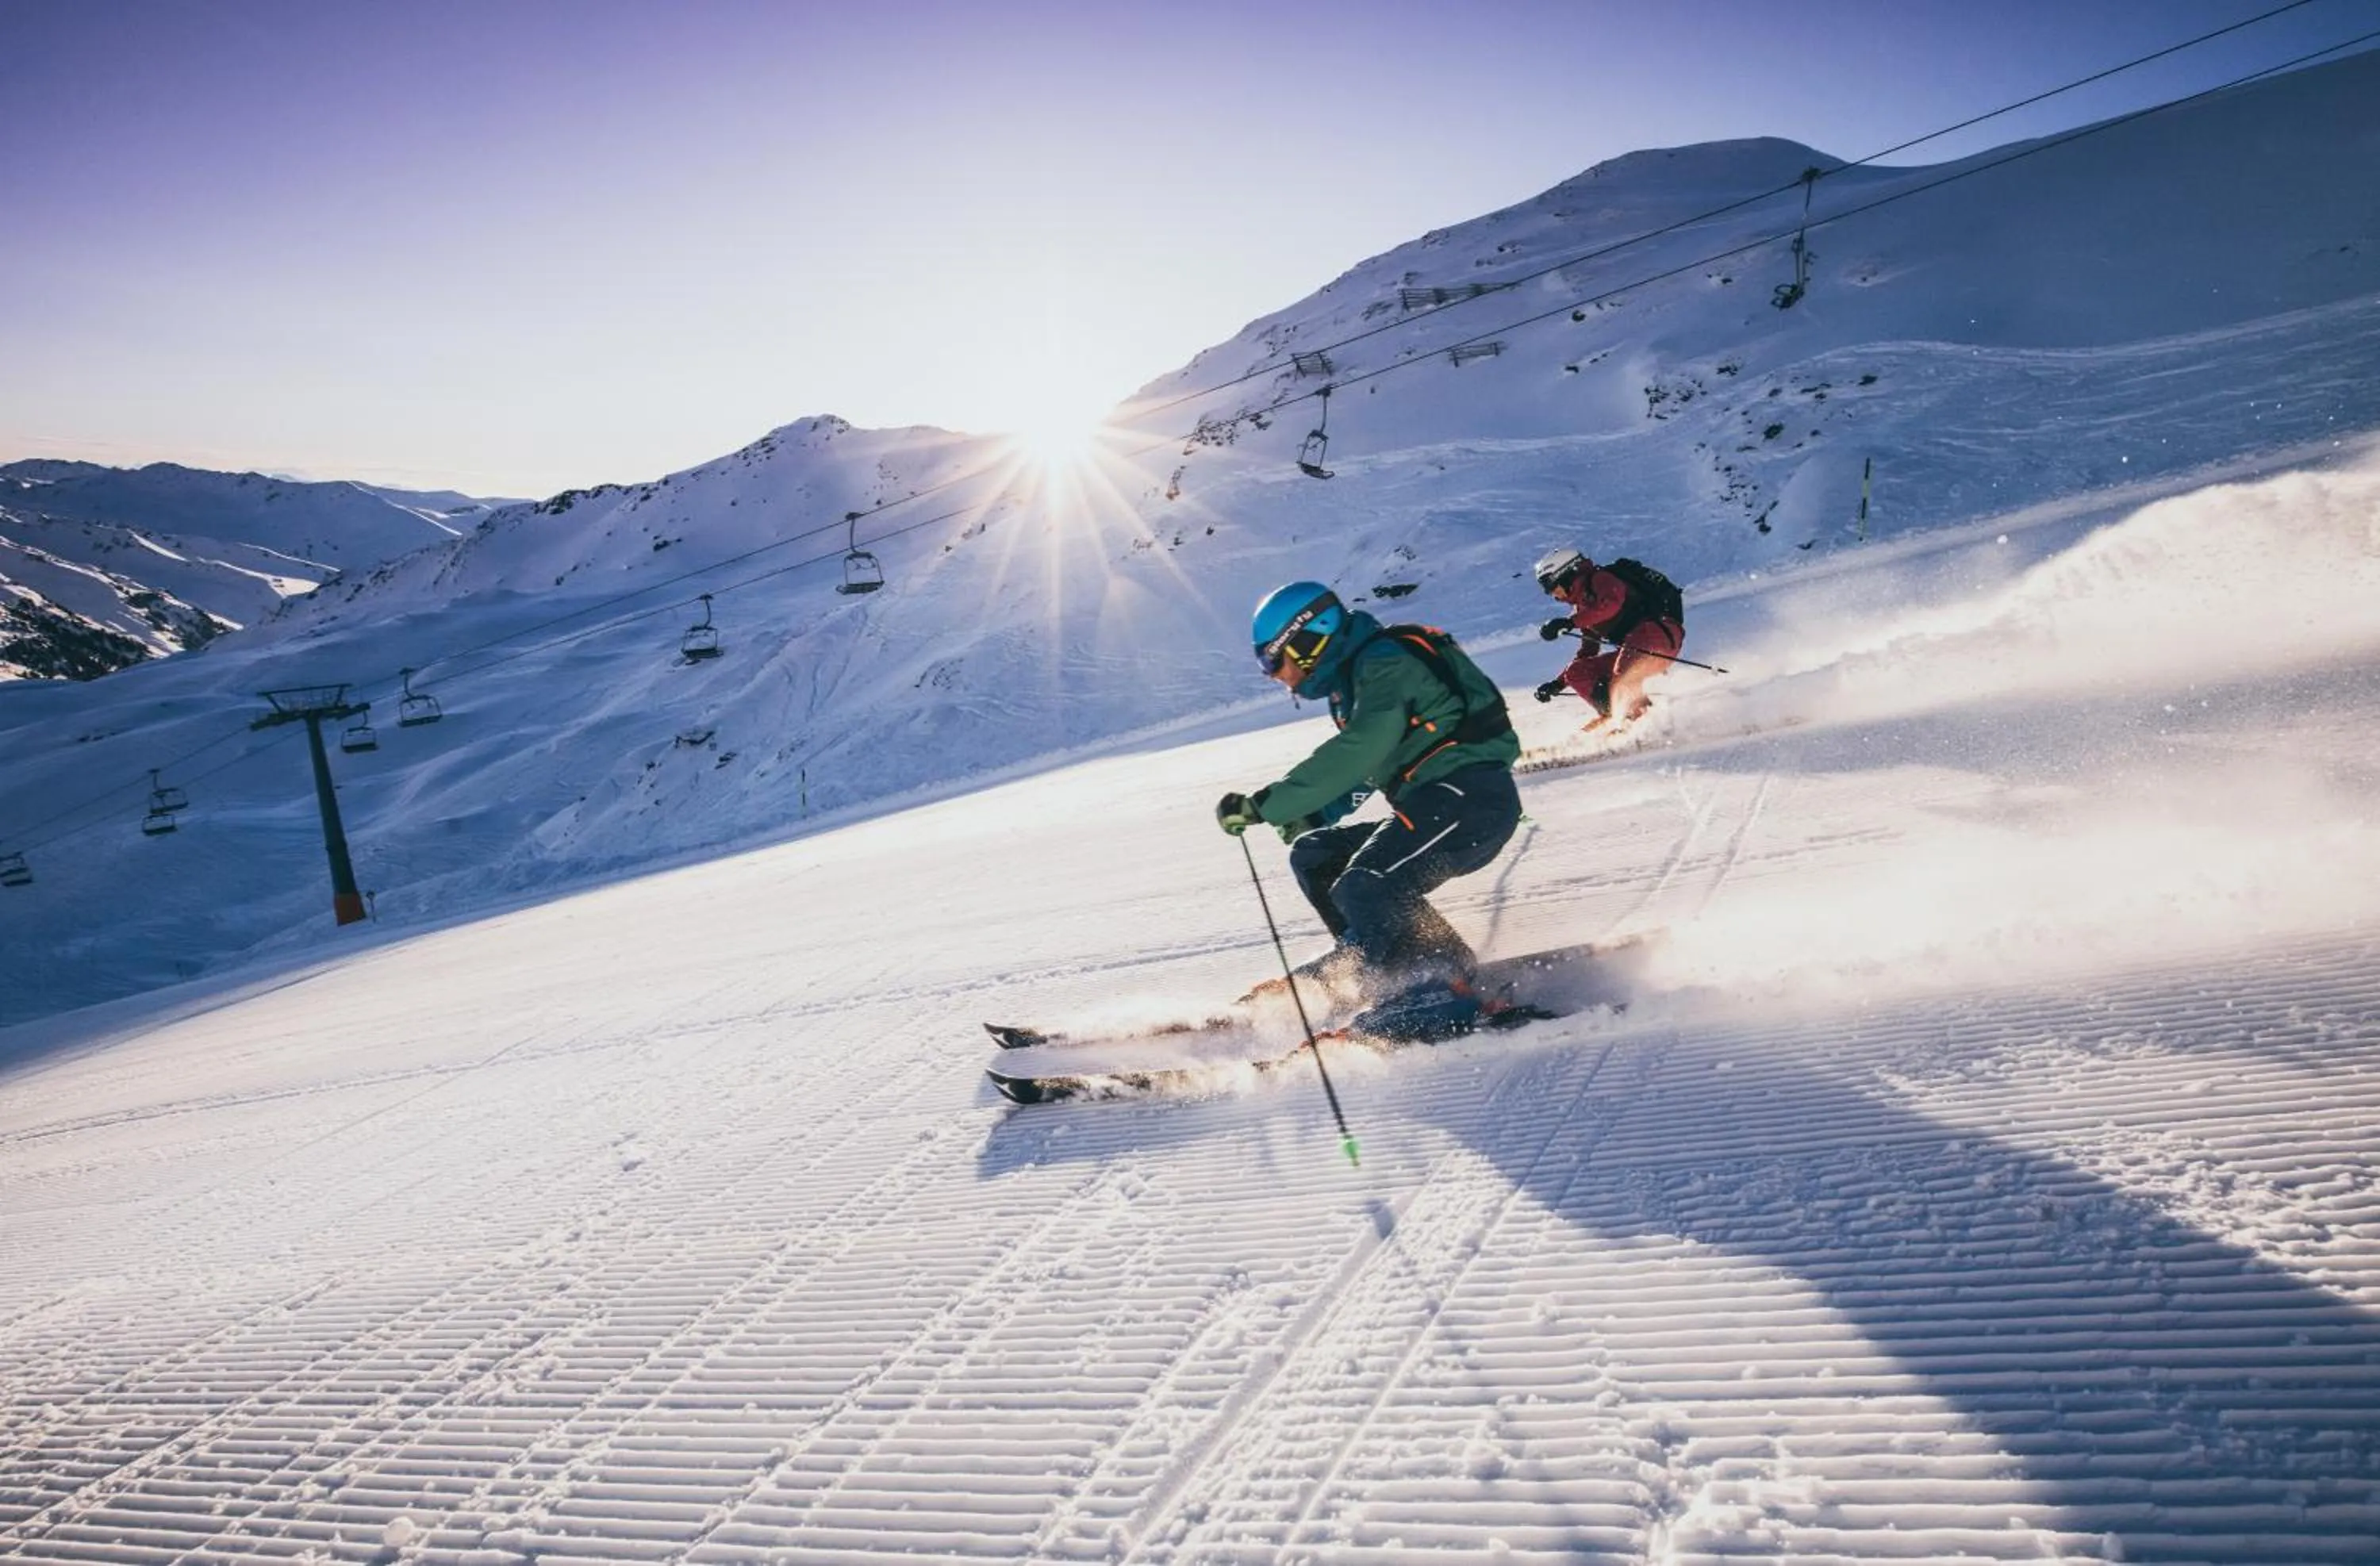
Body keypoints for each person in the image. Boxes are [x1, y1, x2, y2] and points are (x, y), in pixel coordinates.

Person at [1215, 581, 1522, 1019]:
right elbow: (1372, 770)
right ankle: (1398, 971)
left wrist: (1266, 805)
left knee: (1367, 882)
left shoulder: (1384, 661)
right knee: (1316, 855)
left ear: (1307, 638)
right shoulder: (1351, 684)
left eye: (1273, 659)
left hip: (1470, 799)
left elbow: (1365, 746)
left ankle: (1433, 984)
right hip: (1433, 803)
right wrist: (1317, 814)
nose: (1273, 675)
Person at [1530, 546, 1686, 731]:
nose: (1553, 595)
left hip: (1658, 635)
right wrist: (1558, 684)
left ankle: (1639, 720)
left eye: (1552, 586)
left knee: (1623, 676)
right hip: (1635, 647)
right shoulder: (1583, 609)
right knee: (1577, 672)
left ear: (1566, 574)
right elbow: (1588, 652)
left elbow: (1611, 605)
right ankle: (1616, 713)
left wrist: (1570, 623)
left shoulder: (1601, 579)